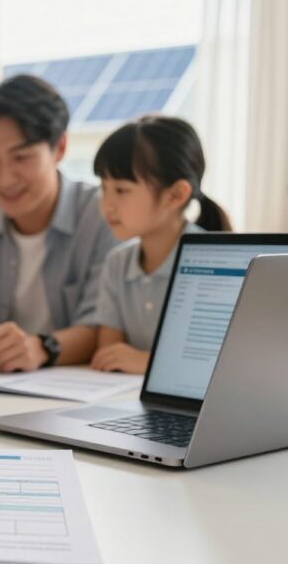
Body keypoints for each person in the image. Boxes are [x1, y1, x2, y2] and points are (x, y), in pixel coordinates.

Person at [0, 75, 118, 372]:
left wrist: (42, 348)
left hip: (81, 392)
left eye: (21, 157)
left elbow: (105, 326)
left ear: (60, 148)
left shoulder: (106, 215)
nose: (4, 179)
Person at [90, 115, 231, 374]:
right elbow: (108, 355)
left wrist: (146, 362)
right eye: (103, 188)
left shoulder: (214, 262)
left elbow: (213, 364)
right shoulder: (117, 263)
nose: (106, 204)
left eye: (121, 190)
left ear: (175, 195)